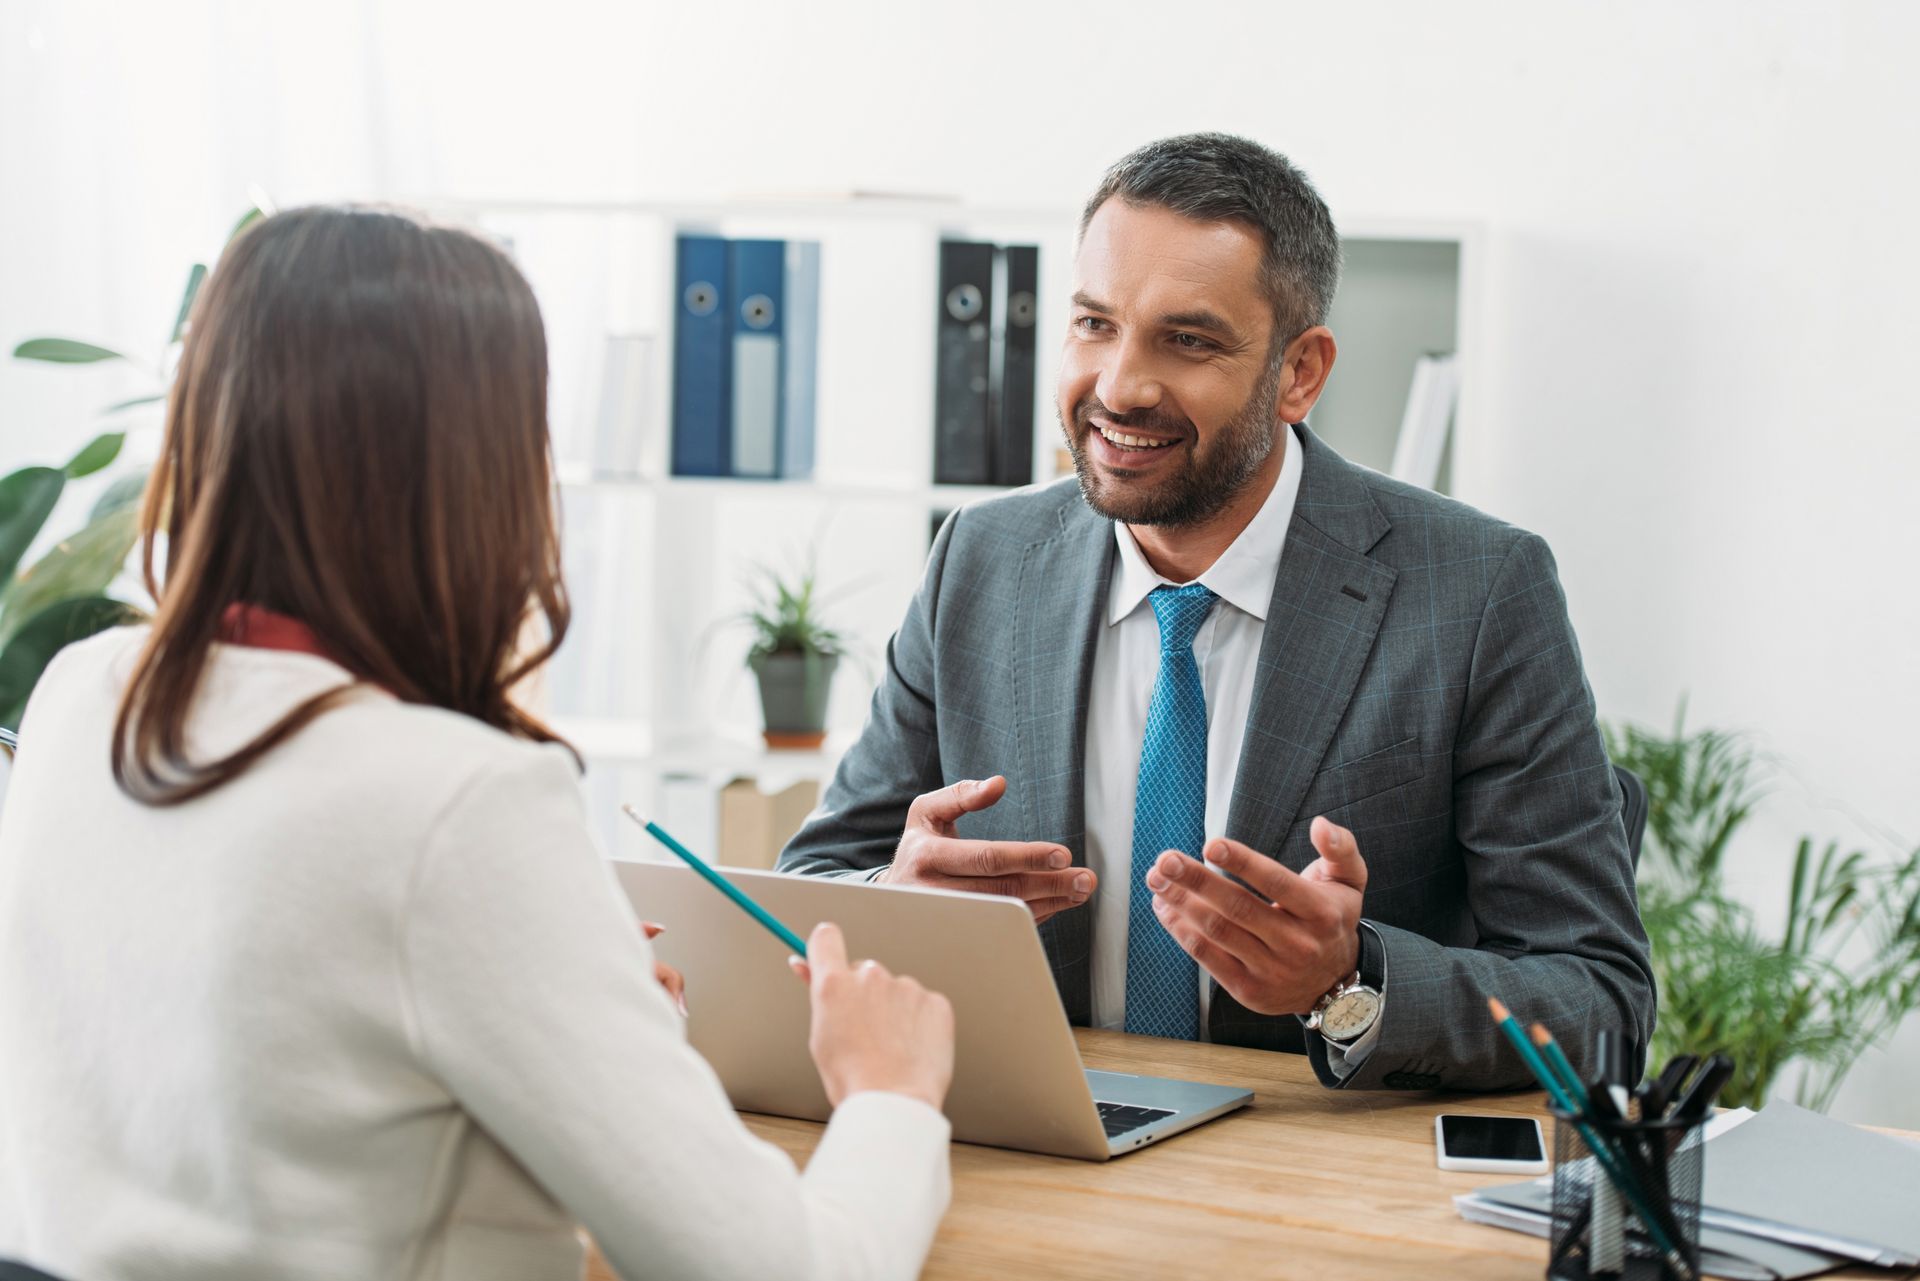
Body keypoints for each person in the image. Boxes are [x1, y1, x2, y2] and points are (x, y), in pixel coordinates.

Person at [0, 207, 954, 1281]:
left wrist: (586, 1027)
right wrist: (890, 1094)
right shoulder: (455, 803)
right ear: (480, 471)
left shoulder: (81, 697)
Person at [780, 133, 1654, 1091]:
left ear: (1300, 373)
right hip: (1042, 1154)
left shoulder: (1479, 590)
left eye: (1187, 340)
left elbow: (1599, 995)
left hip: (1310, 1190)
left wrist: (1350, 980)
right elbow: (813, 883)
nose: (1118, 387)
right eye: (1093, 325)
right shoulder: (979, 561)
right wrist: (894, 900)